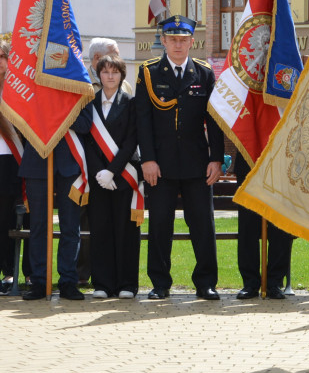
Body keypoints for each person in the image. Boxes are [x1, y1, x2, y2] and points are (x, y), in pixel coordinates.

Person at [136, 15, 224, 301]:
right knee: (160, 224)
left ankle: (206, 283)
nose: (177, 44)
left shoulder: (204, 73)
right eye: (172, 39)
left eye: (183, 39)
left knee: (202, 224)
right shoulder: (148, 72)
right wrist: (147, 159)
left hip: (197, 164)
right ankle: (160, 283)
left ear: (191, 41)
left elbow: (214, 120)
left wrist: (216, 158)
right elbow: (143, 121)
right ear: (163, 40)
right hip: (159, 166)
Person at [71, 55, 142, 299]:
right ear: (98, 75)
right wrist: (100, 173)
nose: (110, 76)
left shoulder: (131, 103)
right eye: (105, 72)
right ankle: (102, 283)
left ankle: (127, 284)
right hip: (98, 177)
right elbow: (88, 142)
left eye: (114, 72)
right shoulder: (89, 104)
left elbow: (132, 140)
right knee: (100, 229)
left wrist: (112, 170)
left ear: (121, 75)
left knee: (126, 231)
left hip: (124, 176)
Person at [19, 136, 85, 301]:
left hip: (70, 164)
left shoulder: (75, 106)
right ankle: (39, 281)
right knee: (38, 226)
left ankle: (68, 281)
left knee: (70, 226)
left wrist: (63, 114)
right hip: (37, 161)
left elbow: (85, 124)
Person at [234, 155, 292, 300]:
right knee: (248, 227)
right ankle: (250, 283)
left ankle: (274, 283)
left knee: (279, 227)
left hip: (281, 162)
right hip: (249, 160)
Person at [0, 41, 23, 294]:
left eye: (2, 56)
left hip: (9, 161)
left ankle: (8, 273)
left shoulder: (18, 89)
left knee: (6, 221)